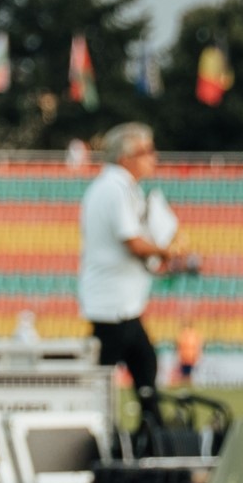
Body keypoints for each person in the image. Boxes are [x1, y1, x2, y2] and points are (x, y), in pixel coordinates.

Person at [78, 122, 183, 420]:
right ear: (126, 157)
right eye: (146, 151)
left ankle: (150, 431)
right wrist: (167, 251)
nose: (154, 157)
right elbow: (133, 243)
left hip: (117, 302)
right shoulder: (116, 188)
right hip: (114, 305)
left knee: (143, 364)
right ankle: (122, 432)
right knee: (112, 377)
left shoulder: (115, 187)